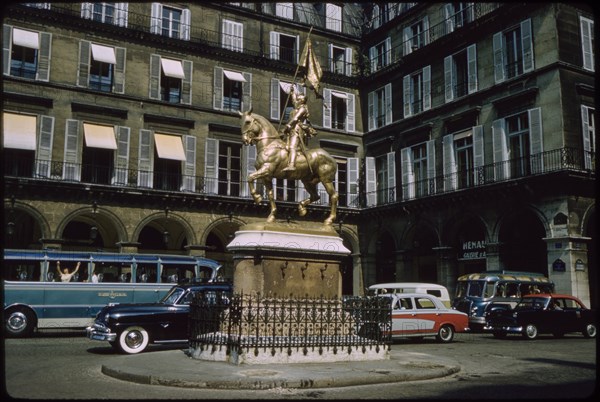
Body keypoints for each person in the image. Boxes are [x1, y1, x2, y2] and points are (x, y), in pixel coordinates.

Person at [282, 87, 317, 171]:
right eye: (298, 99)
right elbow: (293, 100)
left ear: (302, 100)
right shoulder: (297, 107)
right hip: (291, 129)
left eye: (299, 99)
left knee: (292, 147)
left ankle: (292, 165)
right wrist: (292, 92)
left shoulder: (303, 109)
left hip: (297, 130)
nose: (297, 100)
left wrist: (288, 125)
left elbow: (295, 118)